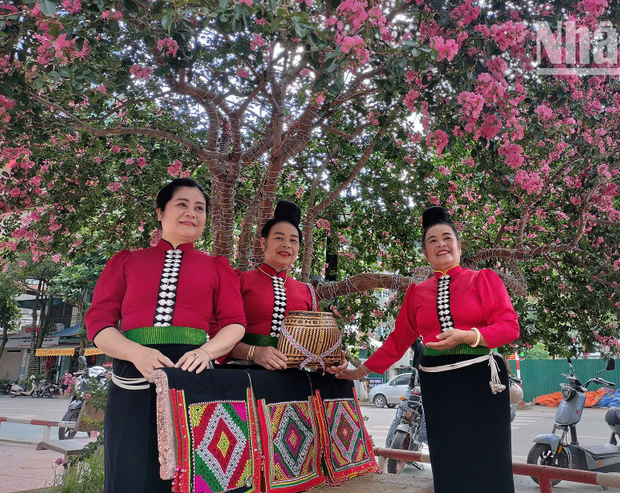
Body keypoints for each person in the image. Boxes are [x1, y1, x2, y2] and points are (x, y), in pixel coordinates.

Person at [337, 206, 520, 493]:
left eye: (446, 237)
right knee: (448, 457)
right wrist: (358, 371)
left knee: (487, 456)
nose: (440, 244)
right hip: (437, 382)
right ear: (425, 253)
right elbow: (397, 341)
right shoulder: (416, 292)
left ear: (459, 246)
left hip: (480, 381)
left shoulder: (483, 279)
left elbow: (510, 327)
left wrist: (467, 335)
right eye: (432, 241)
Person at [85, 178, 246, 493]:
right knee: (129, 470)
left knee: (195, 474)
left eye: (199, 208)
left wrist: (206, 352)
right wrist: (136, 353)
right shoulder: (128, 261)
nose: (192, 213)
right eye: (182, 205)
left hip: (194, 378)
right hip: (132, 378)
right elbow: (99, 323)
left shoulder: (216, 267)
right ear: (160, 212)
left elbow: (235, 323)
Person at [220, 200, 346, 372]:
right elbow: (217, 332)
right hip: (244, 374)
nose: (286, 244)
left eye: (293, 241)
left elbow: (316, 345)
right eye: (279, 238)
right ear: (263, 243)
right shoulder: (239, 281)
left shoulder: (307, 291)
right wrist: (253, 352)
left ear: (298, 248)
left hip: (292, 380)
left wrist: (331, 362)